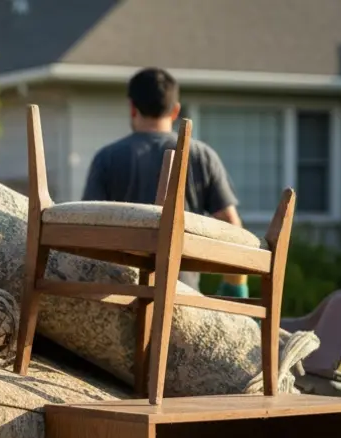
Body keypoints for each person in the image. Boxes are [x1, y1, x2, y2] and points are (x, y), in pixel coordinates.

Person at [81, 67, 251, 298]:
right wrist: (235, 292)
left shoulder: (107, 158)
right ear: (176, 110)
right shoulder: (201, 155)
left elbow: (87, 228)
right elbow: (231, 225)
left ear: (132, 108)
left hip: (119, 297)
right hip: (184, 298)